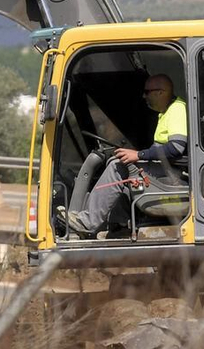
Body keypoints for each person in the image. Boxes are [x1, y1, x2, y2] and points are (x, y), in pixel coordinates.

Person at [62, 74, 187, 237]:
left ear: (161, 92)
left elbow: (176, 148)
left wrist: (139, 155)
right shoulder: (166, 111)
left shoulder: (177, 109)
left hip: (173, 175)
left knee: (118, 167)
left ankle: (87, 223)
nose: (144, 96)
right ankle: (119, 226)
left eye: (147, 92)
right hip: (165, 170)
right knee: (120, 164)